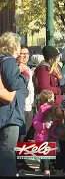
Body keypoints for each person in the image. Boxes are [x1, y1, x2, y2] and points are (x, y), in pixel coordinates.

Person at [0, 32, 28, 176]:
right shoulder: (9, 61)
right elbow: (12, 84)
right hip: (10, 114)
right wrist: (23, 77)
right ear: (14, 46)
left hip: (4, 111)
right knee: (8, 151)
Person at [16, 44, 36, 172]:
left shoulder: (28, 69)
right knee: (19, 137)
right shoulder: (16, 68)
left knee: (25, 136)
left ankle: (22, 161)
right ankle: (16, 162)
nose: (24, 56)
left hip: (29, 107)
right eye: (22, 54)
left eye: (27, 54)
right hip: (19, 107)